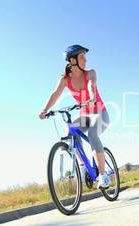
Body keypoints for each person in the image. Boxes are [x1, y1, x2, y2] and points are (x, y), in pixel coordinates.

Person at [38, 45, 111, 188]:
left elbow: (91, 86)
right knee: (71, 134)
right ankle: (83, 167)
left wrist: (92, 98)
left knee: (92, 134)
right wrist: (45, 110)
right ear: (72, 60)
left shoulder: (90, 73)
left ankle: (103, 176)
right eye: (82, 57)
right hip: (85, 115)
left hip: (100, 113)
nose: (85, 60)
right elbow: (56, 94)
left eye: (85, 56)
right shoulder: (65, 79)